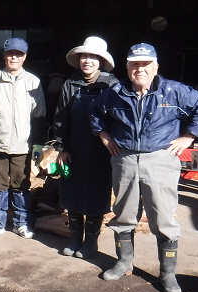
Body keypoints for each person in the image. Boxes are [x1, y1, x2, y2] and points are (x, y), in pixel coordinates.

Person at [89, 43, 198, 292]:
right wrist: (103, 135)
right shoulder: (114, 93)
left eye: (145, 64)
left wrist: (188, 137)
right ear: (127, 67)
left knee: (164, 217)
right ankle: (124, 262)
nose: (139, 69)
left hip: (161, 159)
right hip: (123, 159)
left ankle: (167, 273)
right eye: (134, 64)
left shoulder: (174, 91)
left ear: (156, 66)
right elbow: (94, 112)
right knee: (123, 214)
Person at [53, 37, 118, 258]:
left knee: (95, 196)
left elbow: (119, 120)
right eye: (83, 56)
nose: (87, 60)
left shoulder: (112, 86)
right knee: (72, 195)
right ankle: (74, 239)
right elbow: (61, 118)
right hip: (74, 150)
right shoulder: (70, 85)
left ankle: (91, 242)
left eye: (92, 57)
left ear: (101, 61)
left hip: (101, 153)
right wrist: (62, 147)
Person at [0, 38, 46, 239]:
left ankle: (21, 223)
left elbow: (39, 114)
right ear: (4, 55)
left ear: (25, 57)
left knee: (21, 186)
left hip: (22, 146)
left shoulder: (33, 82)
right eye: (10, 53)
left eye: (19, 54)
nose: (14, 57)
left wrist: (38, 143)